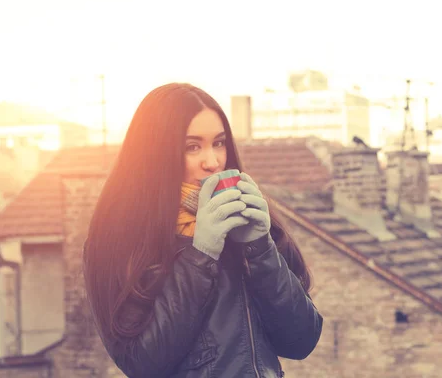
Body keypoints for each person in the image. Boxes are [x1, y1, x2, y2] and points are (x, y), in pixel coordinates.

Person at [83, 83, 323, 378]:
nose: (212, 162)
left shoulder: (248, 219)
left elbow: (301, 340)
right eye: (192, 147)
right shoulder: (120, 238)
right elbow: (142, 364)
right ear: (156, 154)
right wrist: (201, 254)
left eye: (219, 143)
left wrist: (260, 248)